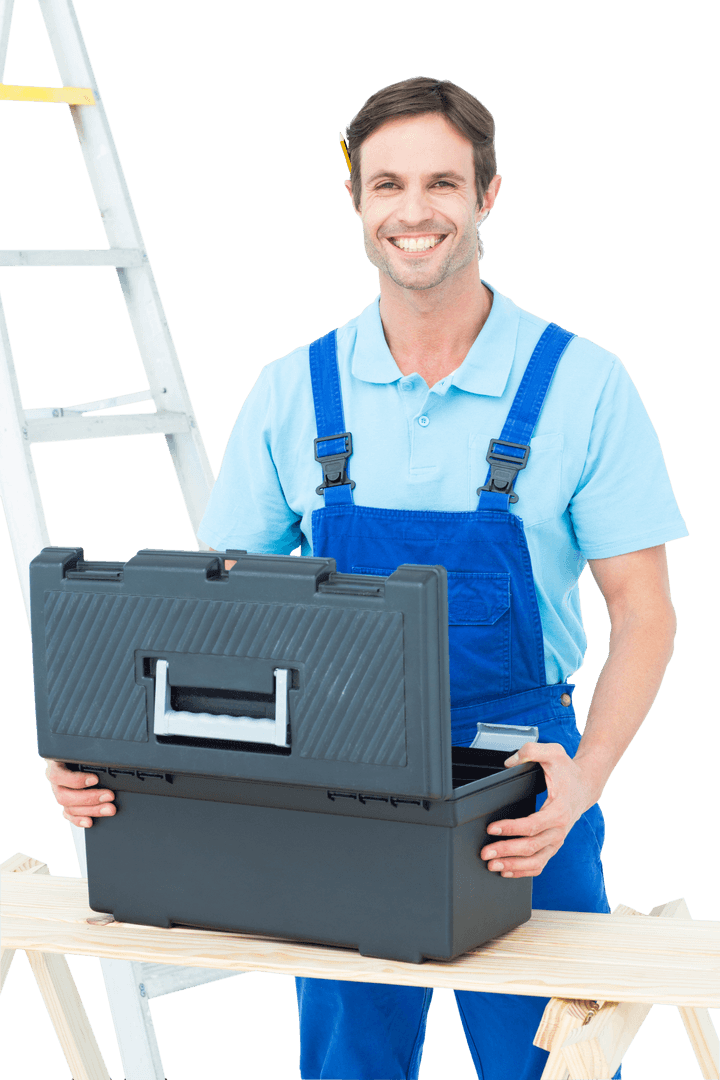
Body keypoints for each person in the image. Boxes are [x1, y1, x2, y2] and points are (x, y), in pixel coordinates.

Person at [46, 77, 687, 1080]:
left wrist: (586, 781)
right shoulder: (292, 391)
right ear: (356, 201)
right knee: (350, 1058)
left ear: (487, 196)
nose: (415, 210)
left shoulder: (583, 385)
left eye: (442, 182)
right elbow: (211, 611)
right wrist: (107, 751)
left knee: (547, 1057)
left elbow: (643, 615)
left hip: (526, 785)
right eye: (387, 183)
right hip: (335, 780)